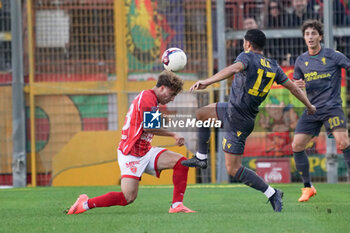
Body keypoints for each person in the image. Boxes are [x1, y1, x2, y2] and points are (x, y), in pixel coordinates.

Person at [181, 29, 316, 212]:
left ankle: (272, 193)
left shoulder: (247, 57)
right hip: (232, 110)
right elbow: (293, 89)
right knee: (202, 114)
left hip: (238, 120)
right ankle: (201, 157)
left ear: (248, 44)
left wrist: (208, 81)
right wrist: (309, 105)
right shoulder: (273, 66)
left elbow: (233, 68)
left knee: (233, 169)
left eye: (244, 42)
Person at [66, 70, 195, 214]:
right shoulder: (148, 97)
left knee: (181, 163)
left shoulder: (151, 99)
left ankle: (176, 205)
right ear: (162, 88)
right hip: (131, 153)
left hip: (145, 150)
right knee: (127, 198)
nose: (172, 99)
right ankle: (85, 204)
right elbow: (148, 127)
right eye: (172, 94)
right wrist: (173, 134)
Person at [292, 19, 350, 202]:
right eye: (307, 34)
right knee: (297, 145)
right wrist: (298, 86)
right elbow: (296, 87)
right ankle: (308, 187)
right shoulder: (301, 61)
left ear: (320, 36)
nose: (310, 37)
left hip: (332, 108)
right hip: (312, 109)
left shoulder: (332, 55)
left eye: (313, 33)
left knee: (343, 142)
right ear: (304, 37)